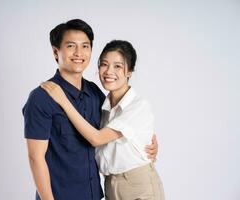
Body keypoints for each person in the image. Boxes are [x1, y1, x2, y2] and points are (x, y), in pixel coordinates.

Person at [23, 19, 158, 200]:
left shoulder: (94, 93)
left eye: (85, 46)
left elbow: (113, 127)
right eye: (71, 46)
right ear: (56, 52)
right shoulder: (42, 97)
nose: (79, 53)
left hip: (95, 195)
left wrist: (149, 142)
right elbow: (35, 157)